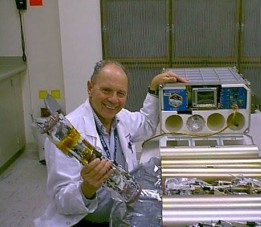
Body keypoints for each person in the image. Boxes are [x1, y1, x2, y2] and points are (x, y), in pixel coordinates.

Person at [34, 60, 188, 227]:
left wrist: (153, 89)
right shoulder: (66, 135)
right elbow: (61, 201)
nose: (113, 100)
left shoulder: (121, 118)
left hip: (122, 214)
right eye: (106, 90)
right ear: (90, 88)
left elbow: (146, 125)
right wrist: (87, 188)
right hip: (84, 220)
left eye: (120, 93)